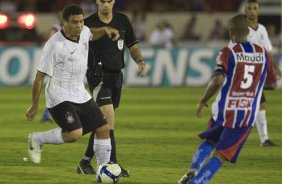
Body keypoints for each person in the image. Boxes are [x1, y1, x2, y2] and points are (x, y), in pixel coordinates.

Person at [178, 14, 277, 184]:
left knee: (210, 140)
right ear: (248, 31)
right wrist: (256, 84)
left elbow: (217, 80)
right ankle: (196, 182)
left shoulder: (228, 52)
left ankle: (193, 170)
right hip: (246, 114)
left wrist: (203, 100)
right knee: (222, 154)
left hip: (223, 110)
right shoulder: (263, 54)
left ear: (231, 33)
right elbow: (273, 84)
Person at [25, 5, 120, 177]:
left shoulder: (84, 31)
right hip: (59, 96)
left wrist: (105, 30)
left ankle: (103, 172)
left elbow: (92, 34)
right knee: (74, 133)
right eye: (74, 22)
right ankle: (37, 138)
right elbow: (39, 78)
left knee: (103, 128)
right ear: (64, 23)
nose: (78, 25)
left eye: (81, 21)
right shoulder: (54, 45)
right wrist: (34, 106)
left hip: (79, 92)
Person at [75, 0, 148, 177]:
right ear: (97, 2)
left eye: (109, 1)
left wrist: (140, 62)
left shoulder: (123, 20)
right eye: (102, 1)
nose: (106, 4)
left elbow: (132, 45)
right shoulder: (89, 24)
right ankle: (112, 164)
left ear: (113, 2)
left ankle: (84, 163)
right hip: (98, 77)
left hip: (116, 76)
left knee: (102, 123)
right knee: (108, 123)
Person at [245, 0, 281, 147]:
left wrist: (276, 68)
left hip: (257, 71)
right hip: (246, 71)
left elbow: (267, 51)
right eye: (249, 8)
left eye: (255, 8)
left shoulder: (262, 29)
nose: (252, 11)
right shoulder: (241, 29)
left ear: (258, 11)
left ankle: (264, 139)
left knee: (268, 91)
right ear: (246, 11)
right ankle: (264, 139)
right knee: (259, 103)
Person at [40, 13, 63, 123]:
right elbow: (49, 45)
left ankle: (47, 115)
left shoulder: (68, 29)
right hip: (56, 63)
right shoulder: (55, 29)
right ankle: (47, 115)